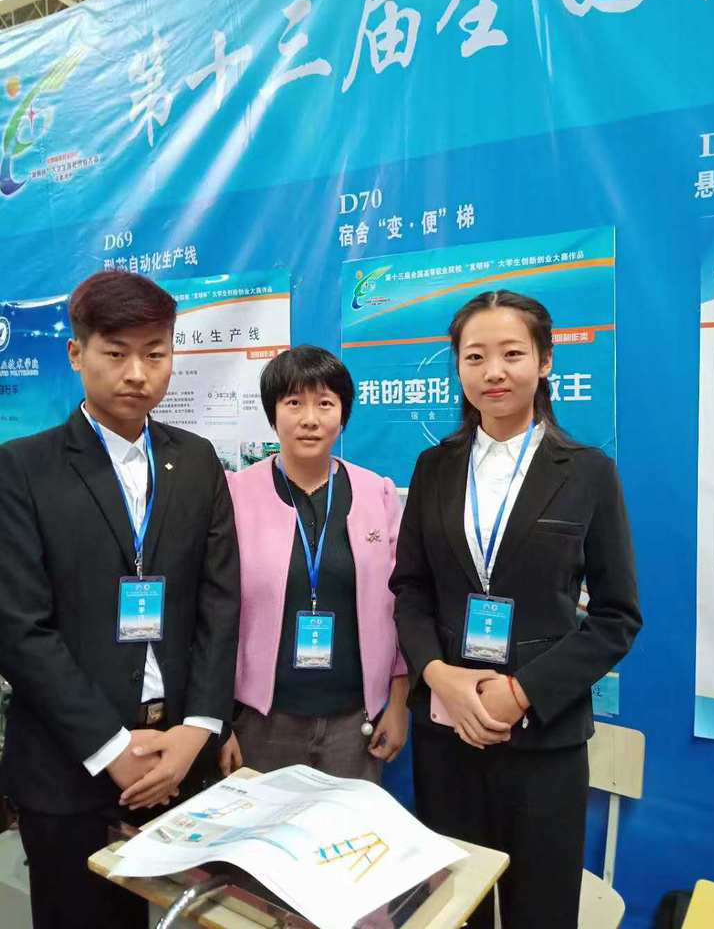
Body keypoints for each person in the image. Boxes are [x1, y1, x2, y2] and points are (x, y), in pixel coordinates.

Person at [391, 290, 641, 929]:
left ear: (545, 361)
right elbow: (411, 590)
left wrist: (523, 692)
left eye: (511, 354)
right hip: (447, 734)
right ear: (458, 368)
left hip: (543, 741)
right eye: (475, 357)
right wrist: (439, 676)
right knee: (454, 907)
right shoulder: (433, 467)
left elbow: (617, 617)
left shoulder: (587, 472)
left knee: (541, 911)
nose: (493, 372)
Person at [0, 271, 241, 929]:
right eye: (116, 353)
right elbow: (19, 629)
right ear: (77, 354)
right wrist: (111, 748)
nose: (138, 373)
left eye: (155, 353)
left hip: (178, 760)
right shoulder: (22, 468)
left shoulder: (198, 460)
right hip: (69, 768)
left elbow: (220, 603)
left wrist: (198, 729)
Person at [220, 345, 408, 784]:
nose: (310, 419)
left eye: (325, 403)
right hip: (260, 722)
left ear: (343, 414)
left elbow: (404, 604)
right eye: (294, 403)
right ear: (272, 413)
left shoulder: (376, 494)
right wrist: (219, 721)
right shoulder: (234, 495)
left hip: (356, 723)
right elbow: (211, 612)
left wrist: (398, 703)